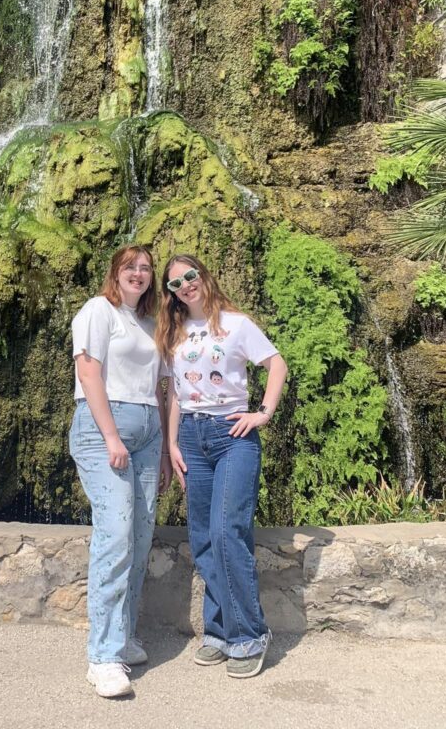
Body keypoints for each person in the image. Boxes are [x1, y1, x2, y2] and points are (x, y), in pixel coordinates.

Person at [156, 254, 287, 679]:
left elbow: (276, 364)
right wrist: (173, 442)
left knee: (227, 531)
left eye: (190, 276)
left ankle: (249, 634)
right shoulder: (174, 331)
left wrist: (262, 413)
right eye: (176, 284)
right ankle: (217, 631)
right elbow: (175, 392)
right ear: (171, 294)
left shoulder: (236, 323)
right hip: (192, 440)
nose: (186, 286)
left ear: (203, 276)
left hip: (232, 437)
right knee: (202, 536)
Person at [69, 244, 172, 699]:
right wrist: (111, 436)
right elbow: (89, 372)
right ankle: (103, 657)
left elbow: (162, 388)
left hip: (149, 435)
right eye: (131, 266)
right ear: (116, 272)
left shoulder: (151, 323)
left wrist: (167, 452)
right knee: (115, 534)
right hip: (102, 430)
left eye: (146, 268)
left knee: (140, 535)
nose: (139, 273)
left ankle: (124, 637)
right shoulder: (98, 310)